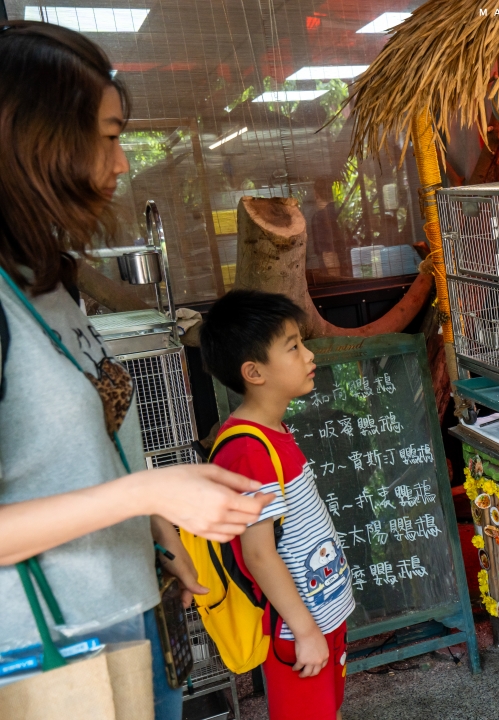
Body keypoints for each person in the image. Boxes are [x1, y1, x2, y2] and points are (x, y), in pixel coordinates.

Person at [0, 20, 274, 720]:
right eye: (113, 135)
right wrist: (151, 492)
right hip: (43, 651)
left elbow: (80, 455)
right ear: (37, 139)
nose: (122, 164)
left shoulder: (42, 281)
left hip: (124, 612)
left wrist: (157, 533)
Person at [200, 290, 355, 720]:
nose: (308, 355)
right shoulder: (249, 450)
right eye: (293, 347)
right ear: (254, 372)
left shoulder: (274, 432)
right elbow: (258, 552)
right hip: (294, 627)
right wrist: (304, 630)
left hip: (319, 615)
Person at [309, 178, 349, 275]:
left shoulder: (320, 217)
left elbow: (329, 253)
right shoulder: (341, 210)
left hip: (336, 274)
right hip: (348, 267)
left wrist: (336, 280)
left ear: (316, 195)